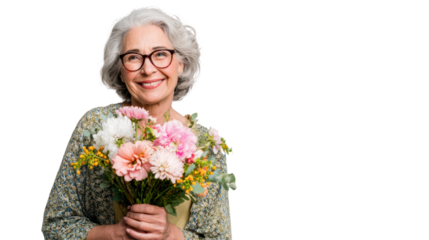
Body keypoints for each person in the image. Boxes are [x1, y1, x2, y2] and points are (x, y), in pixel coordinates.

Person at [40, 3, 233, 240]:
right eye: (133, 57)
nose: (148, 69)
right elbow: (55, 223)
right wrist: (112, 234)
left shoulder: (206, 145)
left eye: (160, 54)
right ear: (120, 69)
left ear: (180, 63)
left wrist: (170, 235)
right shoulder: (95, 126)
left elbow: (219, 238)